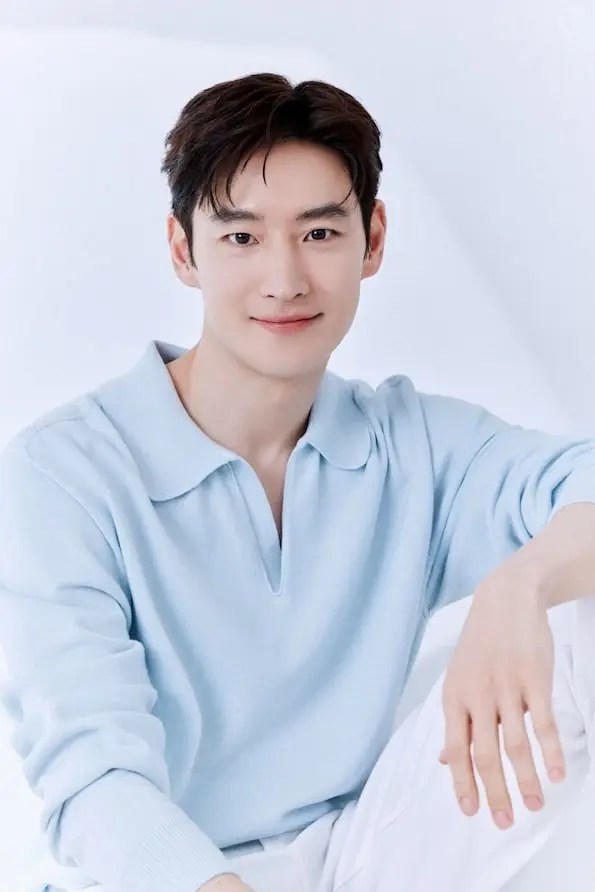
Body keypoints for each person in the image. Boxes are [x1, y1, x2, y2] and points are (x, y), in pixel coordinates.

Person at [1, 71, 595, 892]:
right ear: (184, 250)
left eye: (318, 234)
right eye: (241, 238)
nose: (283, 279)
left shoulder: (410, 443)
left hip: (360, 856)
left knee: (582, 605)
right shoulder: (65, 472)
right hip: (165, 880)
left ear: (372, 239)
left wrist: (520, 584)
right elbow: (95, 784)